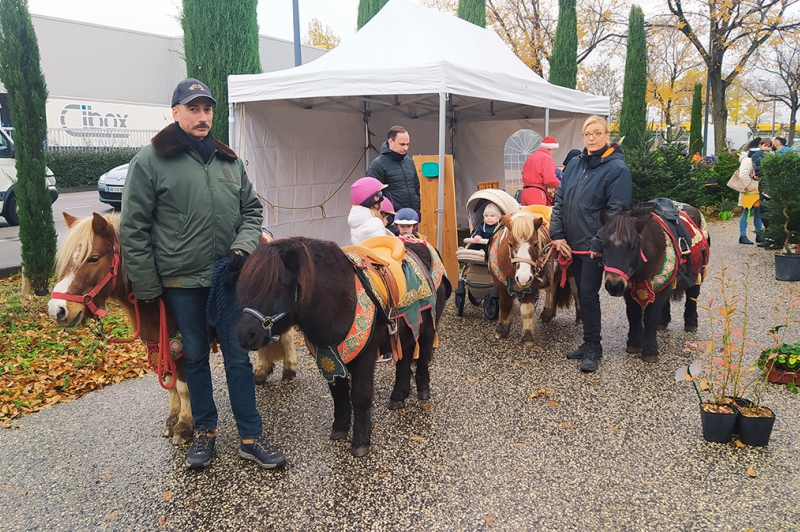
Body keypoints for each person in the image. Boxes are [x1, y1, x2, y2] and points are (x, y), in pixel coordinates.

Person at [120, 78, 286, 470]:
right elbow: (134, 228)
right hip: (180, 283)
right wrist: (146, 286)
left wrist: (242, 249)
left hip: (229, 278)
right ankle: (204, 432)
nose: (202, 116)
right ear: (175, 112)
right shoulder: (150, 161)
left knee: (238, 358)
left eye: (207, 108)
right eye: (193, 108)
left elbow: (251, 212)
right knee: (193, 358)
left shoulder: (229, 161)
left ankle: (250, 436)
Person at [549, 116, 632, 373]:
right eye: (587, 134)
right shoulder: (575, 164)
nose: (592, 138)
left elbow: (616, 210)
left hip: (594, 247)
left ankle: (594, 346)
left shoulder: (618, 169)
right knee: (582, 294)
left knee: (587, 294)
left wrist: (598, 242)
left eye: (597, 133)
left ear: (608, 136)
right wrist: (557, 235)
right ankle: (588, 343)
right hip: (570, 244)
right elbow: (560, 200)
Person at [366, 125, 420, 216]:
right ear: (391, 141)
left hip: (411, 219)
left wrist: (417, 214)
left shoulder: (409, 162)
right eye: (402, 144)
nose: (406, 148)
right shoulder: (377, 165)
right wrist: (387, 219)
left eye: (407, 144)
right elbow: (372, 196)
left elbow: (416, 190)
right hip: (391, 221)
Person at [348, 176, 393, 245]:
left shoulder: (357, 220)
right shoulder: (375, 222)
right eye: (381, 193)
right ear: (376, 197)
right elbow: (381, 249)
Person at [737, 138, 765, 245]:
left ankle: (759, 235)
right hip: (749, 192)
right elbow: (743, 175)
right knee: (746, 213)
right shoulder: (748, 160)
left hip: (757, 191)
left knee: (758, 214)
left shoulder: (757, 159)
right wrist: (750, 187)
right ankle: (742, 235)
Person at [520, 136, 561, 206]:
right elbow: (550, 179)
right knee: (539, 215)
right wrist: (561, 185)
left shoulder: (531, 157)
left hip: (525, 192)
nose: (553, 153)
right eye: (554, 151)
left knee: (527, 216)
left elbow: (523, 172)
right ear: (551, 149)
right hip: (537, 193)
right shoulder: (547, 158)